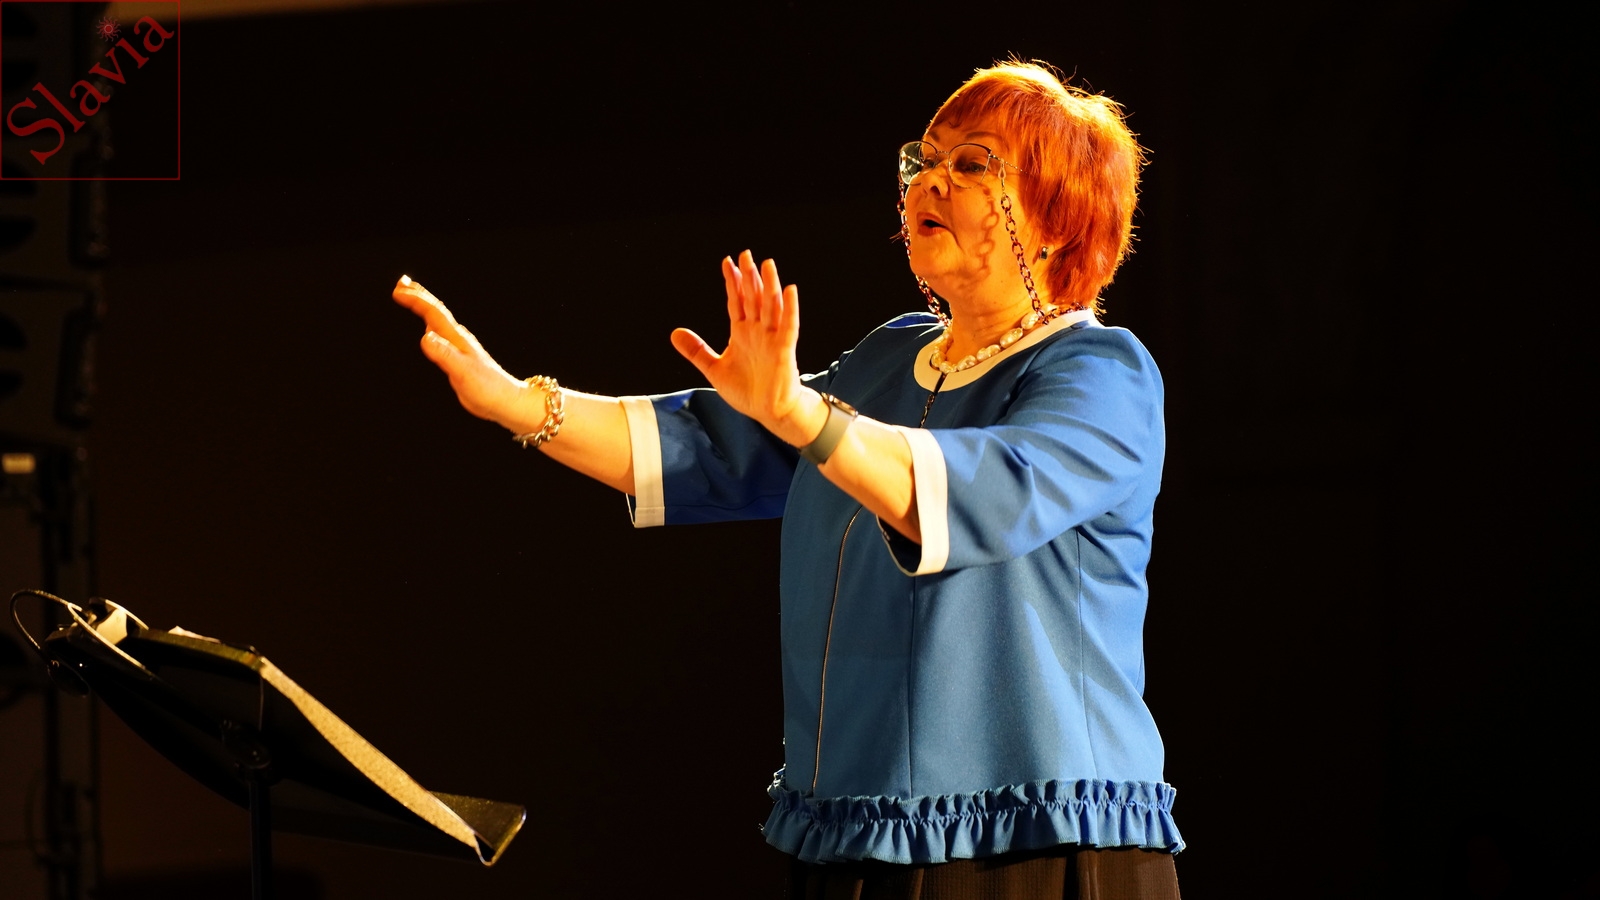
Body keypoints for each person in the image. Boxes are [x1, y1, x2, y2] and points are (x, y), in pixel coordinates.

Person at [393, 61, 1182, 900]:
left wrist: (799, 412)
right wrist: (513, 400)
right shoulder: (890, 359)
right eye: (924, 159)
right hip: (856, 835)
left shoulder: (1100, 372)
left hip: (1030, 845)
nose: (930, 180)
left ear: (1058, 218)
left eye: (972, 163)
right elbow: (708, 447)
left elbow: (989, 493)